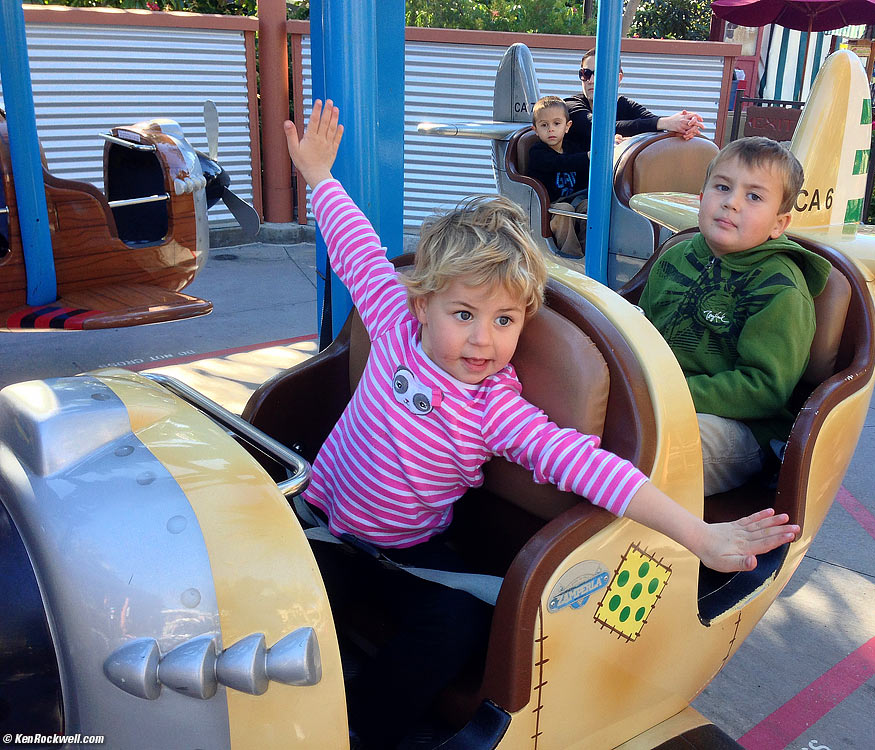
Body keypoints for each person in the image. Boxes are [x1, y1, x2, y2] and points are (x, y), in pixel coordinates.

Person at [284, 100, 799, 749]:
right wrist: (320, 178)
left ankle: (364, 726)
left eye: (504, 321)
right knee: (279, 595)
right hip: (322, 525)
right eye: (464, 314)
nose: (482, 340)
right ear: (424, 301)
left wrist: (698, 534)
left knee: (457, 622)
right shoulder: (392, 319)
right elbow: (356, 246)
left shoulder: (496, 407)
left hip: (408, 555)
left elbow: (595, 469)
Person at [638, 137, 832, 497]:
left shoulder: (781, 290)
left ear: (779, 223)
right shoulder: (673, 258)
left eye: (754, 196)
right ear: (701, 197)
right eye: (722, 187)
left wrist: (666, 395)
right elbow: (639, 333)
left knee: (651, 454)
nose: (732, 202)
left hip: (740, 427)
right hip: (655, 399)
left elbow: (764, 390)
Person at [563, 47, 704, 153]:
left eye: (601, 73)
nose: (591, 80)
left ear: (618, 79)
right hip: (577, 189)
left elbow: (655, 126)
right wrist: (666, 122)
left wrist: (684, 128)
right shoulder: (571, 105)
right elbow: (596, 126)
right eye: (586, 74)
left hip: (618, 185)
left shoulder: (625, 104)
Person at [526, 95, 590, 257]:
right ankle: (572, 256)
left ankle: (588, 253)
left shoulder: (573, 147)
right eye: (544, 125)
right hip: (550, 206)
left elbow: (582, 170)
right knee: (565, 210)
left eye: (556, 123)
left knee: (589, 206)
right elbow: (559, 163)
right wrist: (588, 156)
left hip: (575, 199)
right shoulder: (537, 152)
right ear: (535, 130)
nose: (551, 129)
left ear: (567, 127)